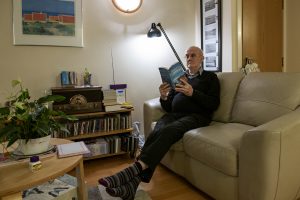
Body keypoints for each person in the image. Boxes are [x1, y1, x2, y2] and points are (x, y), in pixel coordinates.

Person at [98, 46, 220, 200]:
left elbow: (213, 103)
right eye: (187, 56)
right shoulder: (181, 78)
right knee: (157, 130)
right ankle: (132, 184)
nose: (189, 58)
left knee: (169, 131)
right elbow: (169, 107)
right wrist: (164, 96)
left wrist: (193, 93)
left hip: (196, 116)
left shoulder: (210, 78)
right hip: (175, 114)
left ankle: (131, 171)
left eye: (193, 55)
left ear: (202, 58)